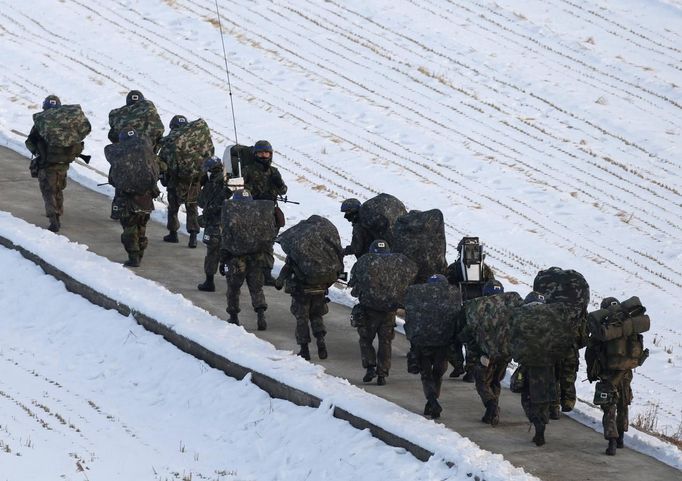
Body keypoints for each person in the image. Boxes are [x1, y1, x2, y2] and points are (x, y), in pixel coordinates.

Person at [586, 297, 649, 456]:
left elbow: (591, 352)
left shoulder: (606, 327)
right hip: (626, 373)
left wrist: (592, 372)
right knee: (623, 403)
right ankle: (621, 438)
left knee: (609, 406)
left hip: (608, 373)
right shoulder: (630, 326)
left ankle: (612, 441)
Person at [25, 95, 91, 232]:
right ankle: (58, 213)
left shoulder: (42, 122)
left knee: (48, 191)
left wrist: (37, 152)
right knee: (57, 189)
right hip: (63, 163)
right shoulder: (69, 123)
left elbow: (30, 141)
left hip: (47, 163)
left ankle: (53, 218)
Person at [404, 274, 462, 419]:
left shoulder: (420, 298)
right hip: (443, 343)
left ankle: (432, 401)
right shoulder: (452, 297)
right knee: (437, 373)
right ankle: (432, 401)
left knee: (426, 374)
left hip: (423, 342)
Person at [348, 240, 404, 386]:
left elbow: (354, 287)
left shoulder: (364, 264)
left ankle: (370, 367)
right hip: (388, 312)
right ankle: (382, 375)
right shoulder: (396, 266)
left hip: (369, 311)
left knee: (366, 340)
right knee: (385, 343)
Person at [105, 129, 160, 267]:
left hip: (127, 198)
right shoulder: (148, 153)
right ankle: (139, 253)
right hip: (146, 198)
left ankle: (133, 255)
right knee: (142, 226)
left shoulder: (119, 154)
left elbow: (113, 179)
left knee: (129, 227)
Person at [460, 279, 511, 426]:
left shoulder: (478, 308)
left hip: (485, 354)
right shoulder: (510, 308)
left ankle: (491, 406)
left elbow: (468, 332)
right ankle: (492, 411)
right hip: (504, 354)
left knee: (482, 383)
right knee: (495, 380)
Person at [107, 90, 163, 220]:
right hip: (146, 157)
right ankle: (144, 210)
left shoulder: (120, 114)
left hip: (124, 156)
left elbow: (112, 135)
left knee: (119, 180)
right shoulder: (151, 113)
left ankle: (117, 210)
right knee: (147, 180)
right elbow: (160, 132)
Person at [159, 115, 212, 248]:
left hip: (176, 180)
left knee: (173, 207)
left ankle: (173, 234)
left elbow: (163, 161)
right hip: (194, 180)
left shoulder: (171, 141)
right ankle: (193, 237)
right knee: (192, 207)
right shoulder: (199, 140)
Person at [446, 236, 495, 381]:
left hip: (458, 308)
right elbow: (492, 288)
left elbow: (445, 288)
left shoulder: (454, 268)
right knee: (472, 340)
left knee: (454, 338)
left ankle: (458, 365)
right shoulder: (484, 269)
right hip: (478, 310)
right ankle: (471, 371)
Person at [219, 189, 269, 329]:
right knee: (256, 288)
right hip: (256, 258)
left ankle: (234, 317)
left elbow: (226, 241)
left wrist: (222, 261)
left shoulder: (231, 217)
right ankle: (260, 316)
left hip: (236, 260)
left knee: (233, 289)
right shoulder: (259, 216)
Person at [243, 140, 287, 285]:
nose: (263, 156)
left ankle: (267, 274)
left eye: (266, 153)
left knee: (268, 244)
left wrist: (279, 183)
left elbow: (283, 191)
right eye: (261, 153)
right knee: (250, 243)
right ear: (255, 154)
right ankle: (247, 271)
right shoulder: (248, 170)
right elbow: (240, 189)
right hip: (253, 210)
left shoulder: (274, 172)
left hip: (269, 212)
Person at [518, 291, 558, 447]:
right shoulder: (553, 321)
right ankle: (542, 423)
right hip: (549, 366)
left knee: (528, 397)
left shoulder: (525, 319)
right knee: (544, 397)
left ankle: (538, 425)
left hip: (530, 365)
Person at [197, 156, 231, 292]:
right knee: (229, 254)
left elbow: (200, 201)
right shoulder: (230, 181)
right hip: (229, 224)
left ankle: (209, 282)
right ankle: (231, 281)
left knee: (212, 253)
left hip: (214, 224)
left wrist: (202, 185)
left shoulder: (211, 184)